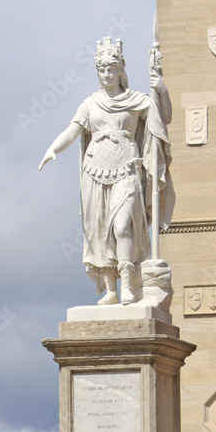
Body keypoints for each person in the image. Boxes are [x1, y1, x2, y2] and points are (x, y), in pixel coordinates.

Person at [39, 37, 173, 305]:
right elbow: (72, 131)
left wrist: (162, 90)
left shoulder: (137, 100)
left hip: (127, 170)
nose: (106, 74)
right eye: (101, 69)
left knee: (122, 226)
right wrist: (53, 149)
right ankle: (111, 289)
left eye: (111, 68)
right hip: (95, 173)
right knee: (100, 231)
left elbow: (163, 119)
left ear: (121, 69)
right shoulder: (90, 104)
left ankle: (128, 283)